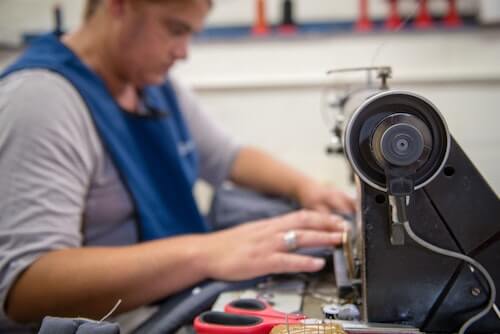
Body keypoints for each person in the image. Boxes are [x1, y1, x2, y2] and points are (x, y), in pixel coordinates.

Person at [0, 0, 355, 332]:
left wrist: (307, 188)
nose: (183, 52)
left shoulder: (150, 86)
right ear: (120, 5)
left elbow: (227, 156)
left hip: (171, 296)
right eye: (175, 29)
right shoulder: (40, 101)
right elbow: (26, 287)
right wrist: (208, 252)